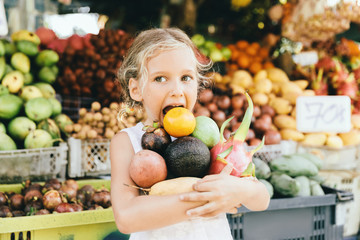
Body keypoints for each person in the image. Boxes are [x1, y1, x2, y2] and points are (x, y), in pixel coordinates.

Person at [110, 27, 270, 240]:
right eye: (160, 78)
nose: (177, 89)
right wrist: (206, 199)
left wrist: (238, 190)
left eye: (186, 77)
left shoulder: (210, 137)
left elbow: (261, 198)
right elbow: (126, 217)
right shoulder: (127, 141)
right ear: (136, 88)